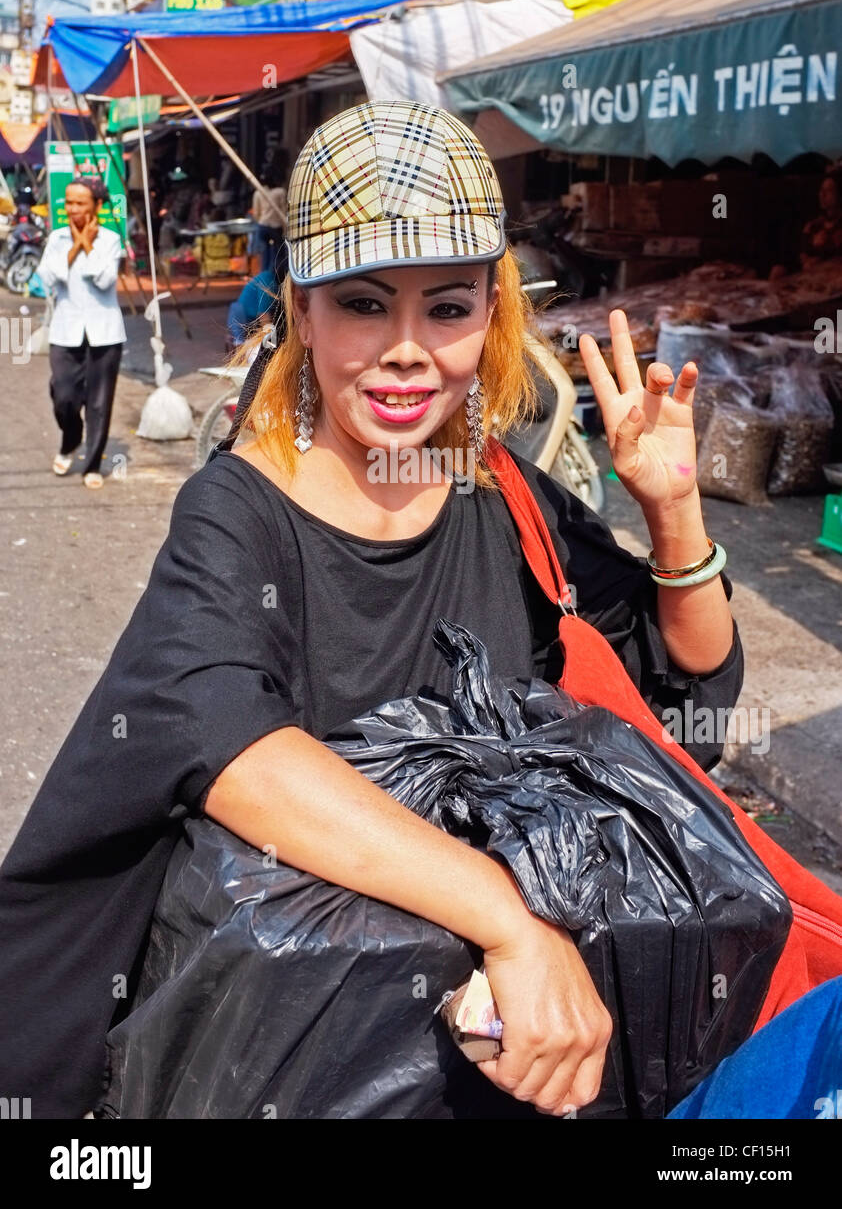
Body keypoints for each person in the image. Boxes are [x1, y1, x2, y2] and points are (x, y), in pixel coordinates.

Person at [0, 101, 744, 1119]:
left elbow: (685, 689)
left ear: (490, 313)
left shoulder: (501, 494)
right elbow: (229, 742)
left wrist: (672, 512)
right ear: (301, 312)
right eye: (362, 303)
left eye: (445, 308)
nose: (406, 350)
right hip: (286, 1067)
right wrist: (511, 923)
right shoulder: (239, 510)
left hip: (495, 1062)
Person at [38, 175, 125, 490]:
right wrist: (75, 246)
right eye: (69, 202)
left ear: (97, 206)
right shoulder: (58, 238)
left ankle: (92, 463)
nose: (72, 209)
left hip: (105, 333)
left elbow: (104, 280)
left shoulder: (111, 240)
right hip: (65, 331)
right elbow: (47, 280)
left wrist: (88, 244)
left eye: (80, 203)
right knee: (64, 397)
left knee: (99, 403)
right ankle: (70, 441)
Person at [226, 267, 279, 351]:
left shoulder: (269, 278)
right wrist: (271, 347)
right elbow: (265, 317)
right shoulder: (268, 280)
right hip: (242, 319)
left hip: (250, 321)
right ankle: (236, 341)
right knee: (246, 348)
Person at [251, 158, 288, 272]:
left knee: (264, 255)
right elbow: (284, 211)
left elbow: (256, 213)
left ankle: (264, 277)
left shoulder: (258, 193)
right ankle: (277, 277)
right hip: (275, 227)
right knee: (278, 256)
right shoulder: (280, 192)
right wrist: (285, 229)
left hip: (262, 226)